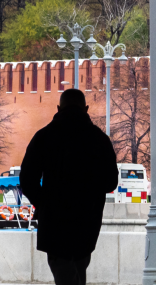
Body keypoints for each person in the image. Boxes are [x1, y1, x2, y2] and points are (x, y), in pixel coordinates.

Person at [20, 89, 118, 285]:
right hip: (87, 221)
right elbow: (111, 182)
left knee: (64, 273)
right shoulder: (99, 139)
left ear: (58, 108)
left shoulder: (44, 136)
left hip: (55, 221)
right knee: (79, 270)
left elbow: (27, 179)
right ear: (86, 109)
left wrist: (44, 203)